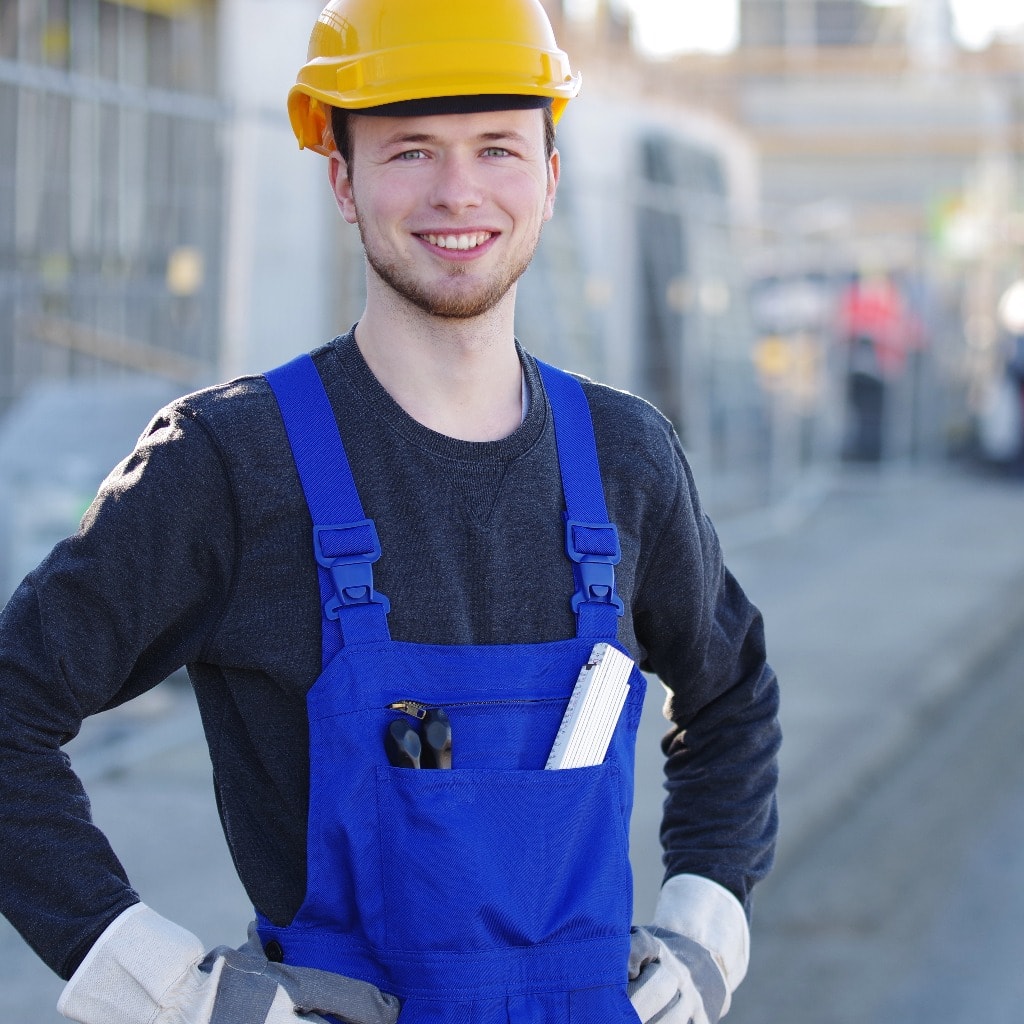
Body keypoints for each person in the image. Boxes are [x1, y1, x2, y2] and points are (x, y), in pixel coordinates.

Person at [0, 1, 780, 1022]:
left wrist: (706, 921)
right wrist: (157, 982)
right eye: (410, 150)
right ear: (342, 176)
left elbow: (730, 695)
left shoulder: (627, 458)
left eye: (496, 146)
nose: (457, 191)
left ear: (547, 174)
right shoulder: (233, 465)